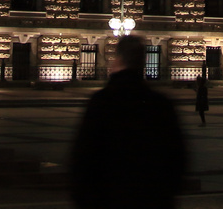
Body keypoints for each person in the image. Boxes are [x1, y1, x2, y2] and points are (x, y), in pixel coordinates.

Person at [69, 34, 186, 209]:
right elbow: (177, 161)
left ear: (118, 60)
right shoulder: (161, 104)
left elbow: (82, 161)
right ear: (143, 62)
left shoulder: (101, 102)